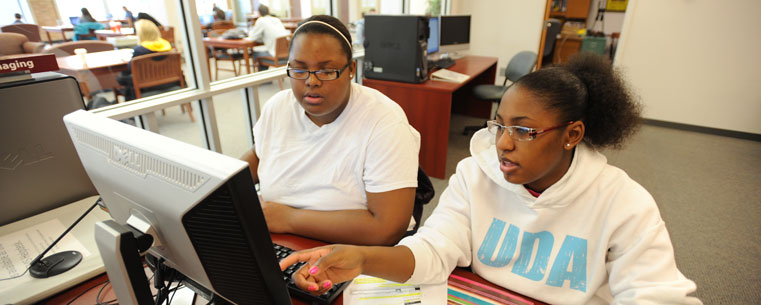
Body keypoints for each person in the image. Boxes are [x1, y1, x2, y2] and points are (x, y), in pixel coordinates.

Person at [279, 53, 703, 304]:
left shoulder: (624, 203)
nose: (502, 143)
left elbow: (656, 295)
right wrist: (363, 258)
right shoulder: (474, 174)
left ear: (572, 135)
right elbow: (434, 249)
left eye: (524, 130)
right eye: (500, 125)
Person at [240, 15, 421, 246]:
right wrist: (219, 189)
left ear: (351, 69)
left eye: (326, 71)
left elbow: (386, 228)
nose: (311, 81)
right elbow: (259, 155)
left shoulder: (383, 121)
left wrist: (289, 219)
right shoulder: (278, 107)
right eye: (299, 69)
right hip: (279, 243)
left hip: (355, 254)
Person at [116, 19, 173, 101]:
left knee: (123, 77)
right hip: (169, 82)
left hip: (148, 86)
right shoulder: (166, 45)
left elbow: (131, 68)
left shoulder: (140, 50)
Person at [247, 4, 289, 70]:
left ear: (259, 13)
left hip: (275, 54)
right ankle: (266, 79)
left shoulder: (261, 20)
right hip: (286, 54)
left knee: (255, 54)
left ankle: (264, 78)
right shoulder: (276, 19)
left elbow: (252, 37)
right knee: (264, 52)